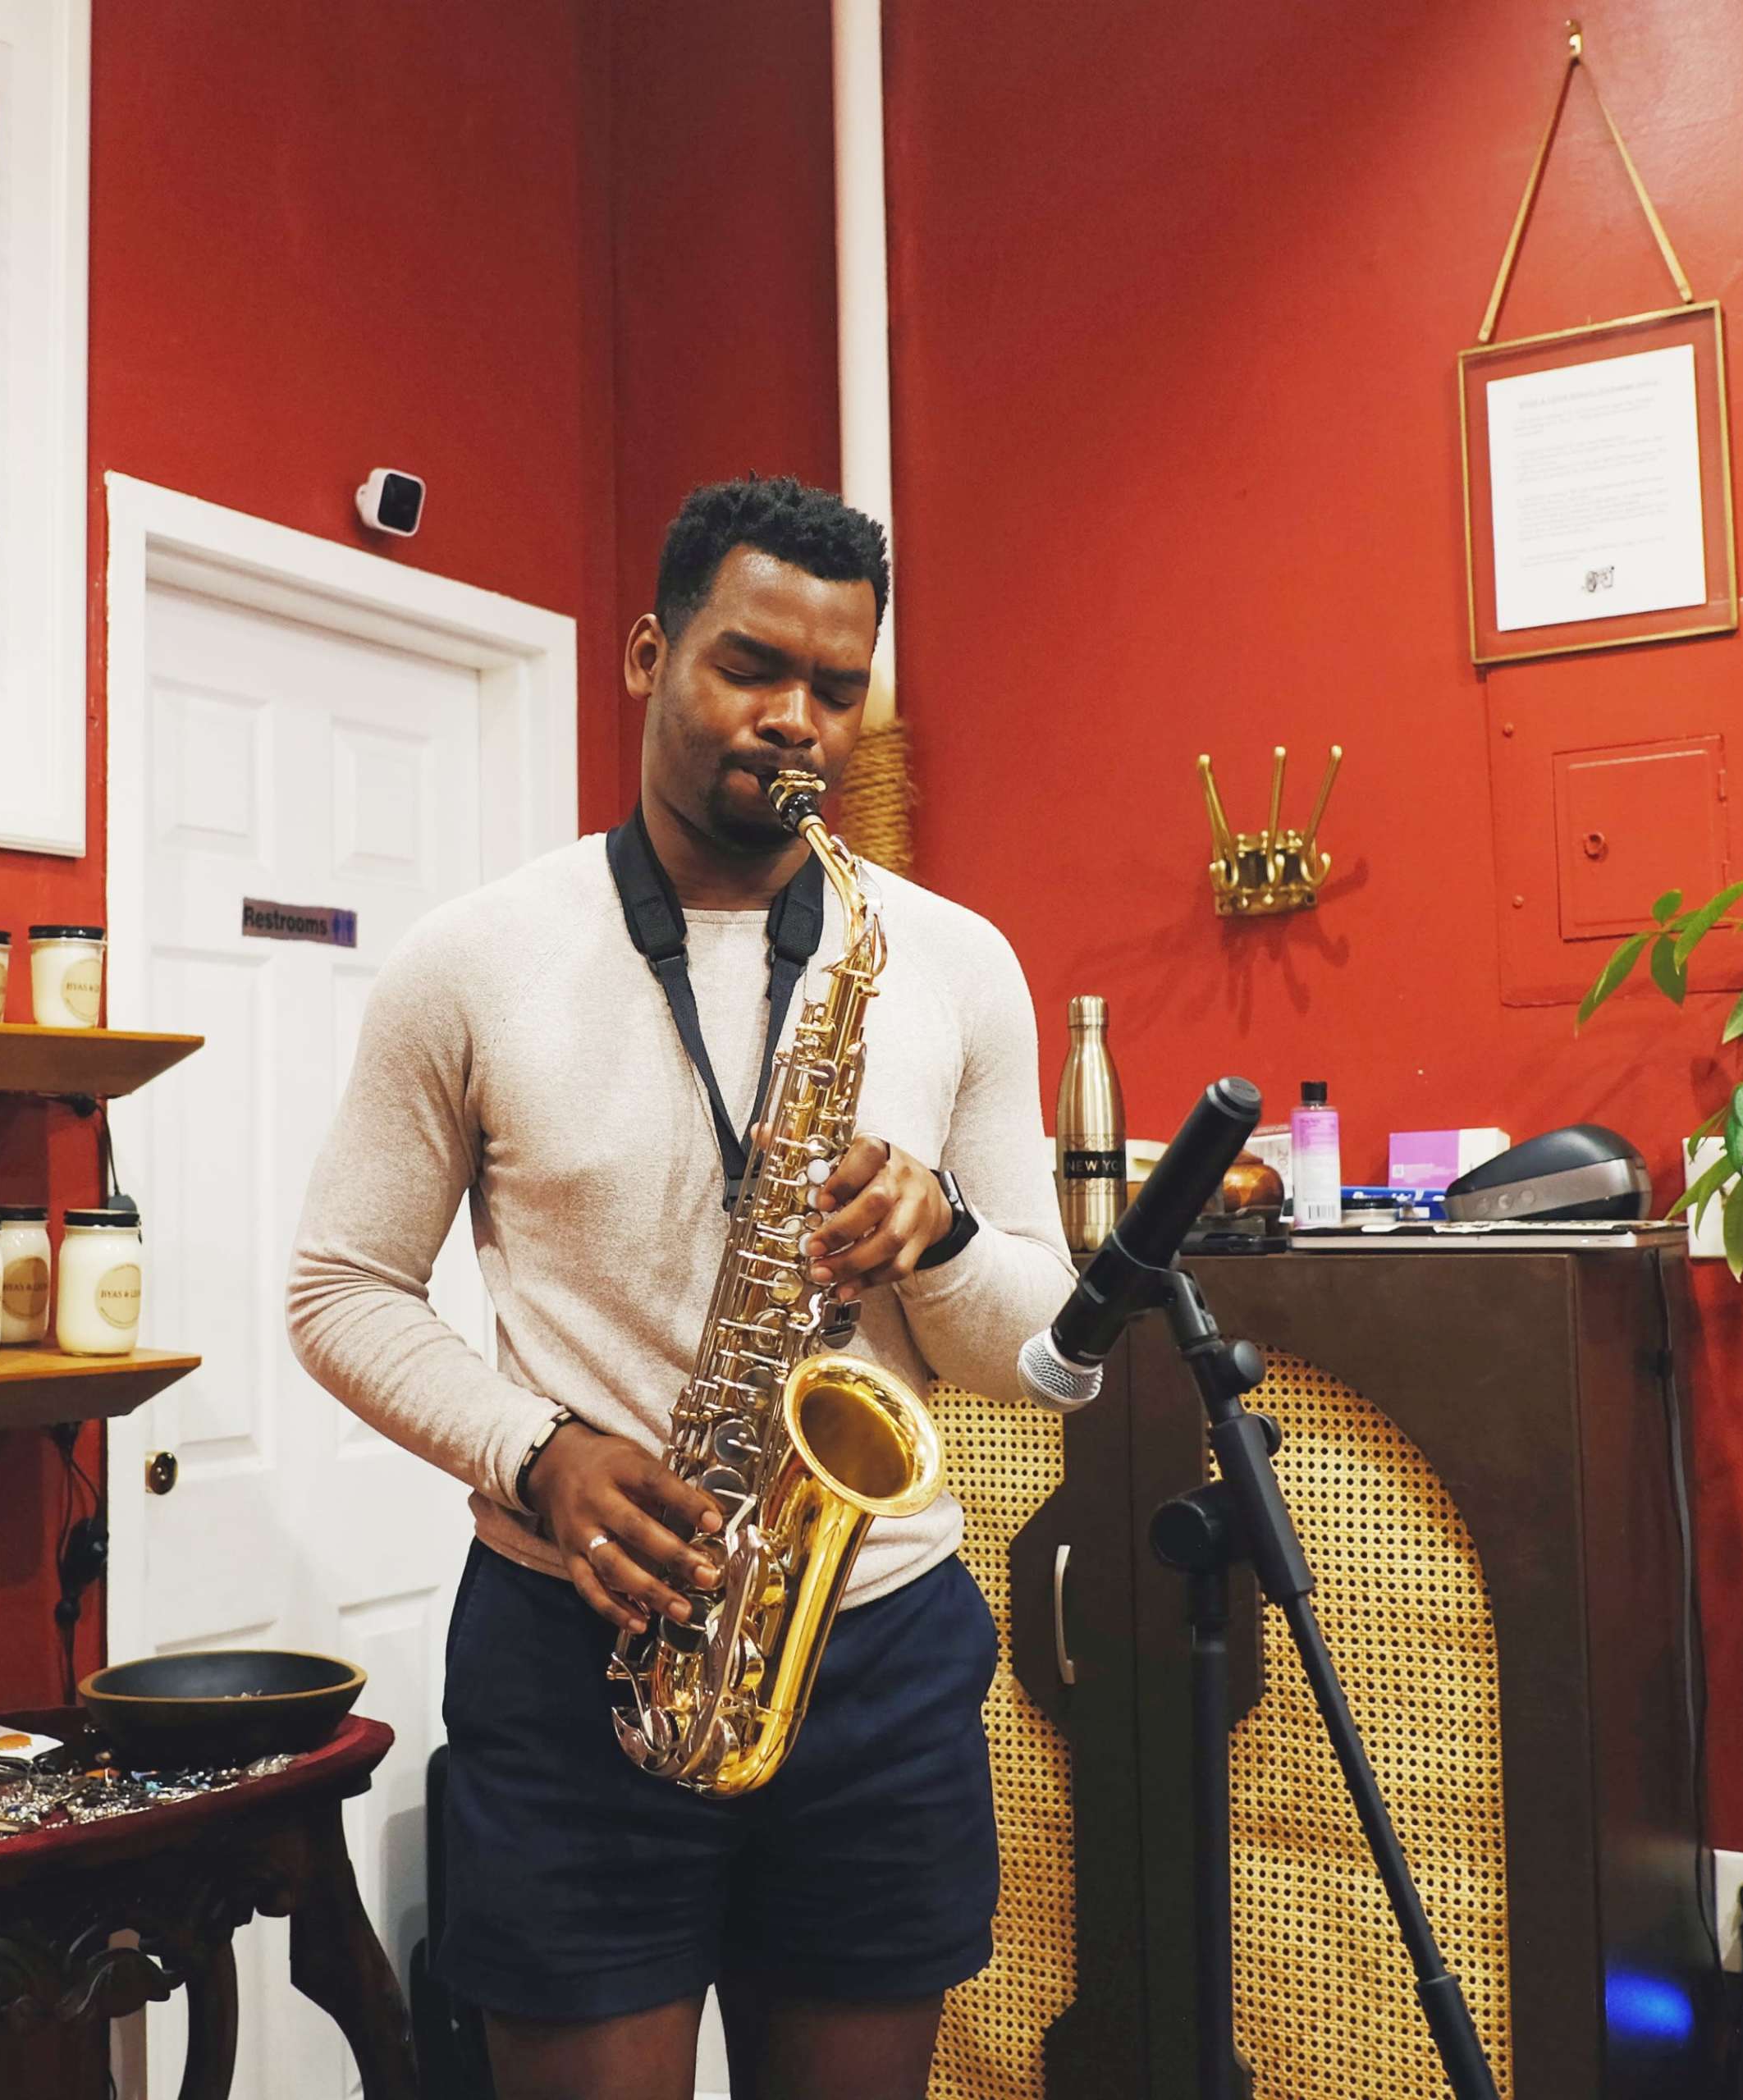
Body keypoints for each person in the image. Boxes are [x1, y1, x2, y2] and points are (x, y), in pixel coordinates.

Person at [289, 477, 1077, 2100]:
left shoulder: (949, 959)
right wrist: (536, 1451)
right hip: (579, 1644)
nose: (796, 721)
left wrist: (936, 1239)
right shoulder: (476, 956)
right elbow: (340, 1289)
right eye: (747, 666)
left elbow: (1041, 1354)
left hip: (877, 1646)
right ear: (648, 653)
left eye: (838, 688)